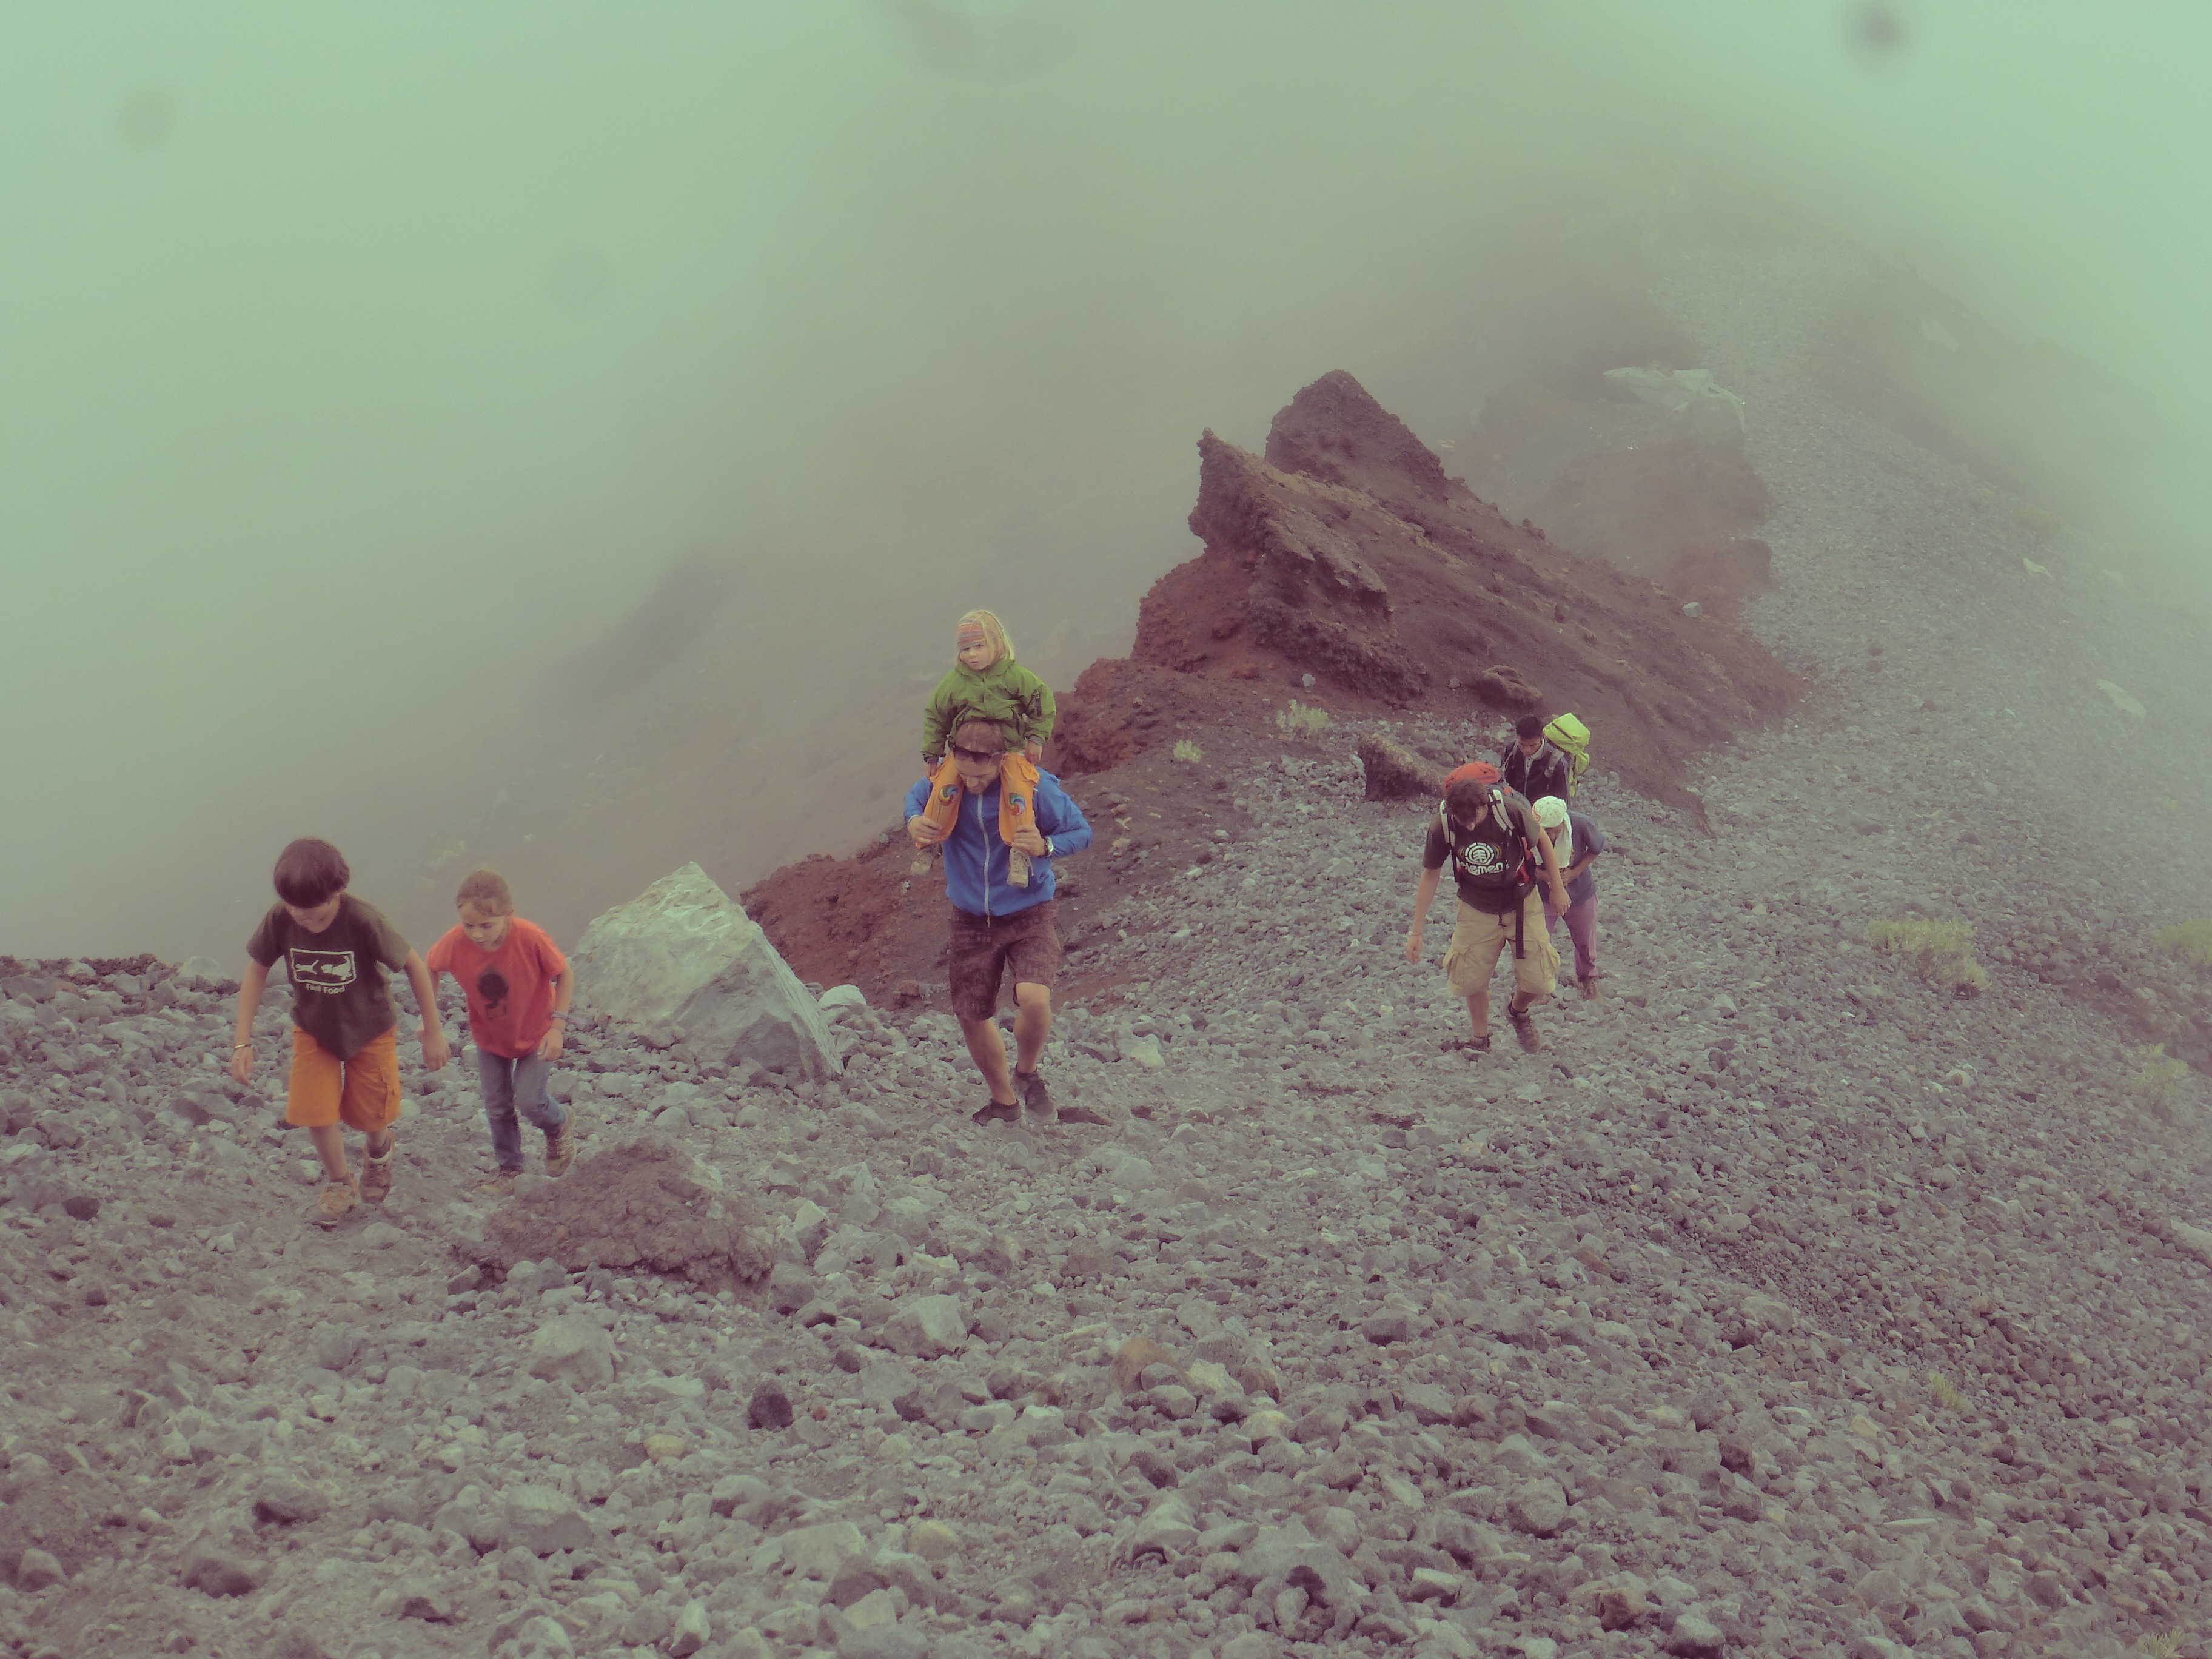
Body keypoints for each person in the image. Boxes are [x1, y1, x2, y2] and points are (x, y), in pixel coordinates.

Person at [231, 838, 449, 1225]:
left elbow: (415, 966)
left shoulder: (363, 921)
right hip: (314, 1029)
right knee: (315, 1109)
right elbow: (257, 970)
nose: (300, 916)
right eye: (292, 906)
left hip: (370, 1029)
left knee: (371, 1116)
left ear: (337, 891)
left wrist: (432, 1030)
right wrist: (242, 1041)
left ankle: (378, 1152)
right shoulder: (281, 917)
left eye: (311, 911)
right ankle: (340, 1184)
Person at [906, 716, 1096, 1126]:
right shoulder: (946, 781)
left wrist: (1046, 845)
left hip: (1030, 910)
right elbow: (915, 799)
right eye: (965, 774)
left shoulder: (1035, 787)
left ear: (999, 759)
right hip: (970, 918)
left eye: (981, 776)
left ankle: (1027, 1074)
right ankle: (1004, 1102)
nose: (972, 783)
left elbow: (1081, 832)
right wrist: (913, 821)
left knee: (1035, 998)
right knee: (972, 1014)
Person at [423, 868, 578, 1196]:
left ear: (508, 914)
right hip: (491, 1038)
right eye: (469, 925)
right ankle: (510, 1168)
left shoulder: (530, 938)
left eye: (486, 925)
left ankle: (559, 1123)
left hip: (537, 1033)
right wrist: (430, 1017)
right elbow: (431, 968)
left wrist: (558, 1027)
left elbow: (564, 973)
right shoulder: (454, 943)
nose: (477, 934)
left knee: (530, 1101)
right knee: (497, 1105)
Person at [1404, 763, 1570, 1054]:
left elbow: (1542, 840)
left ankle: (1517, 1011)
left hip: (1522, 901)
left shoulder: (1509, 810)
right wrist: (1416, 931)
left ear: (1485, 805)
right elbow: (1430, 874)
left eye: (1475, 819)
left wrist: (1557, 888)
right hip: (1476, 906)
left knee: (1539, 981)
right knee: (1471, 979)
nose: (1469, 827)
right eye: (1463, 821)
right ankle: (1480, 1038)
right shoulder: (1442, 825)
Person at [917, 610, 1057, 886]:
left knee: (1018, 792)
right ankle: (929, 844)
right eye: (966, 649)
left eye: (979, 646)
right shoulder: (955, 682)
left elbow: (1042, 703)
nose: (972, 655)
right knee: (944, 787)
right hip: (965, 752)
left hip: (1008, 751)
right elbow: (936, 716)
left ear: (997, 643)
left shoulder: (1015, 676)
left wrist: (1036, 738)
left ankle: (1019, 853)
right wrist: (932, 755)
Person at [1532, 796, 1606, 998]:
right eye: (1545, 830)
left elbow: (1596, 848)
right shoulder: (1527, 830)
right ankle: (1540, 987)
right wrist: (1544, 875)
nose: (1550, 835)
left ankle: (1588, 978)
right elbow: (1520, 860)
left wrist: (1574, 872)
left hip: (1580, 892)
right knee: (1539, 941)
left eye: (1554, 830)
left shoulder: (1581, 823)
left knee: (1585, 941)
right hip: (1542, 894)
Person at [1500, 714, 1572, 806]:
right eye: (1522, 744)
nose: (1527, 750)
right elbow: (1505, 781)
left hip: (1541, 812)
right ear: (1517, 737)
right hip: (1516, 808)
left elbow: (1563, 802)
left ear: (1542, 736)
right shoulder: (1512, 749)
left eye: (1532, 745)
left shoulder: (1557, 763)